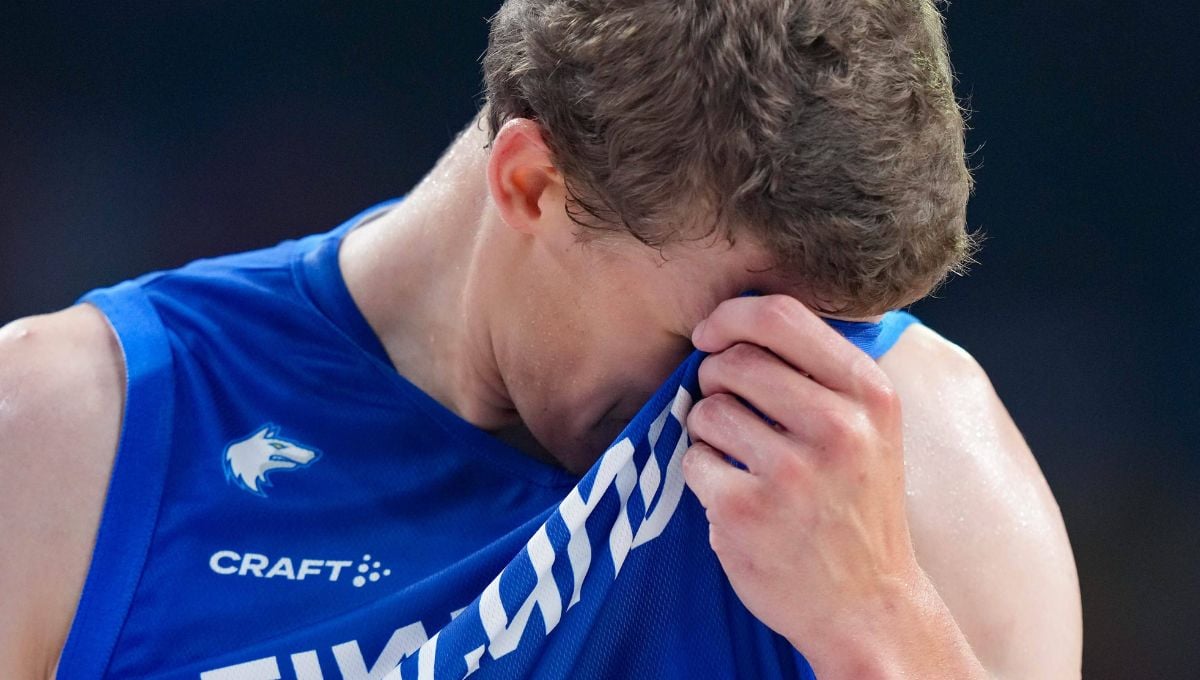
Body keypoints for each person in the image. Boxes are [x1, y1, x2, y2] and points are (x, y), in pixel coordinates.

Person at [0, 1, 1082, 678]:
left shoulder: (913, 467)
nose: (743, 386)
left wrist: (883, 627)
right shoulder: (70, 435)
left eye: (827, 328)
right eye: (717, 329)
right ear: (529, 182)